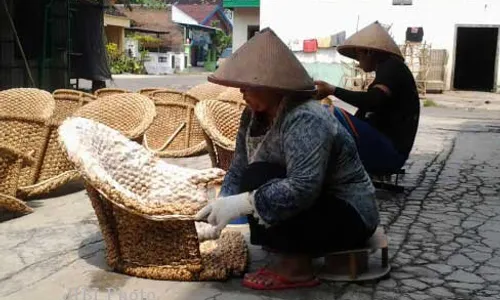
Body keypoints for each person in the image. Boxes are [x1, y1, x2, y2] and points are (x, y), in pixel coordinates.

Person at [195, 28, 380, 290]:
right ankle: (284, 248)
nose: (241, 92)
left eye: (248, 86)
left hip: (348, 212)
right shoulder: (251, 116)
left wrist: (243, 202)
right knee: (253, 174)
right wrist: (222, 204)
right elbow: (239, 166)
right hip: (314, 206)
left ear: (273, 86)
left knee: (259, 180)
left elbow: (303, 187)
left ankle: (296, 269)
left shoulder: (306, 117)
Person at [315, 21, 420, 176]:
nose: (358, 61)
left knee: (328, 113)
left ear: (369, 53)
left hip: (390, 154)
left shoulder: (391, 68)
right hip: (386, 148)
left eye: (358, 56)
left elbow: (372, 101)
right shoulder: (388, 69)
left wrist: (333, 90)